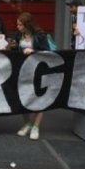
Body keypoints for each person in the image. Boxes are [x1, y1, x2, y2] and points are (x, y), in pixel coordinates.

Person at [12, 12, 51, 140]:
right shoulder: (19, 35)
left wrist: (34, 51)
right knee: (23, 96)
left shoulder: (40, 36)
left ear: (27, 25)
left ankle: (36, 126)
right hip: (23, 69)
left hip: (38, 69)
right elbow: (15, 51)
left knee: (39, 97)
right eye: (17, 24)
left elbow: (47, 51)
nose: (17, 27)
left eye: (20, 24)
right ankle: (27, 123)